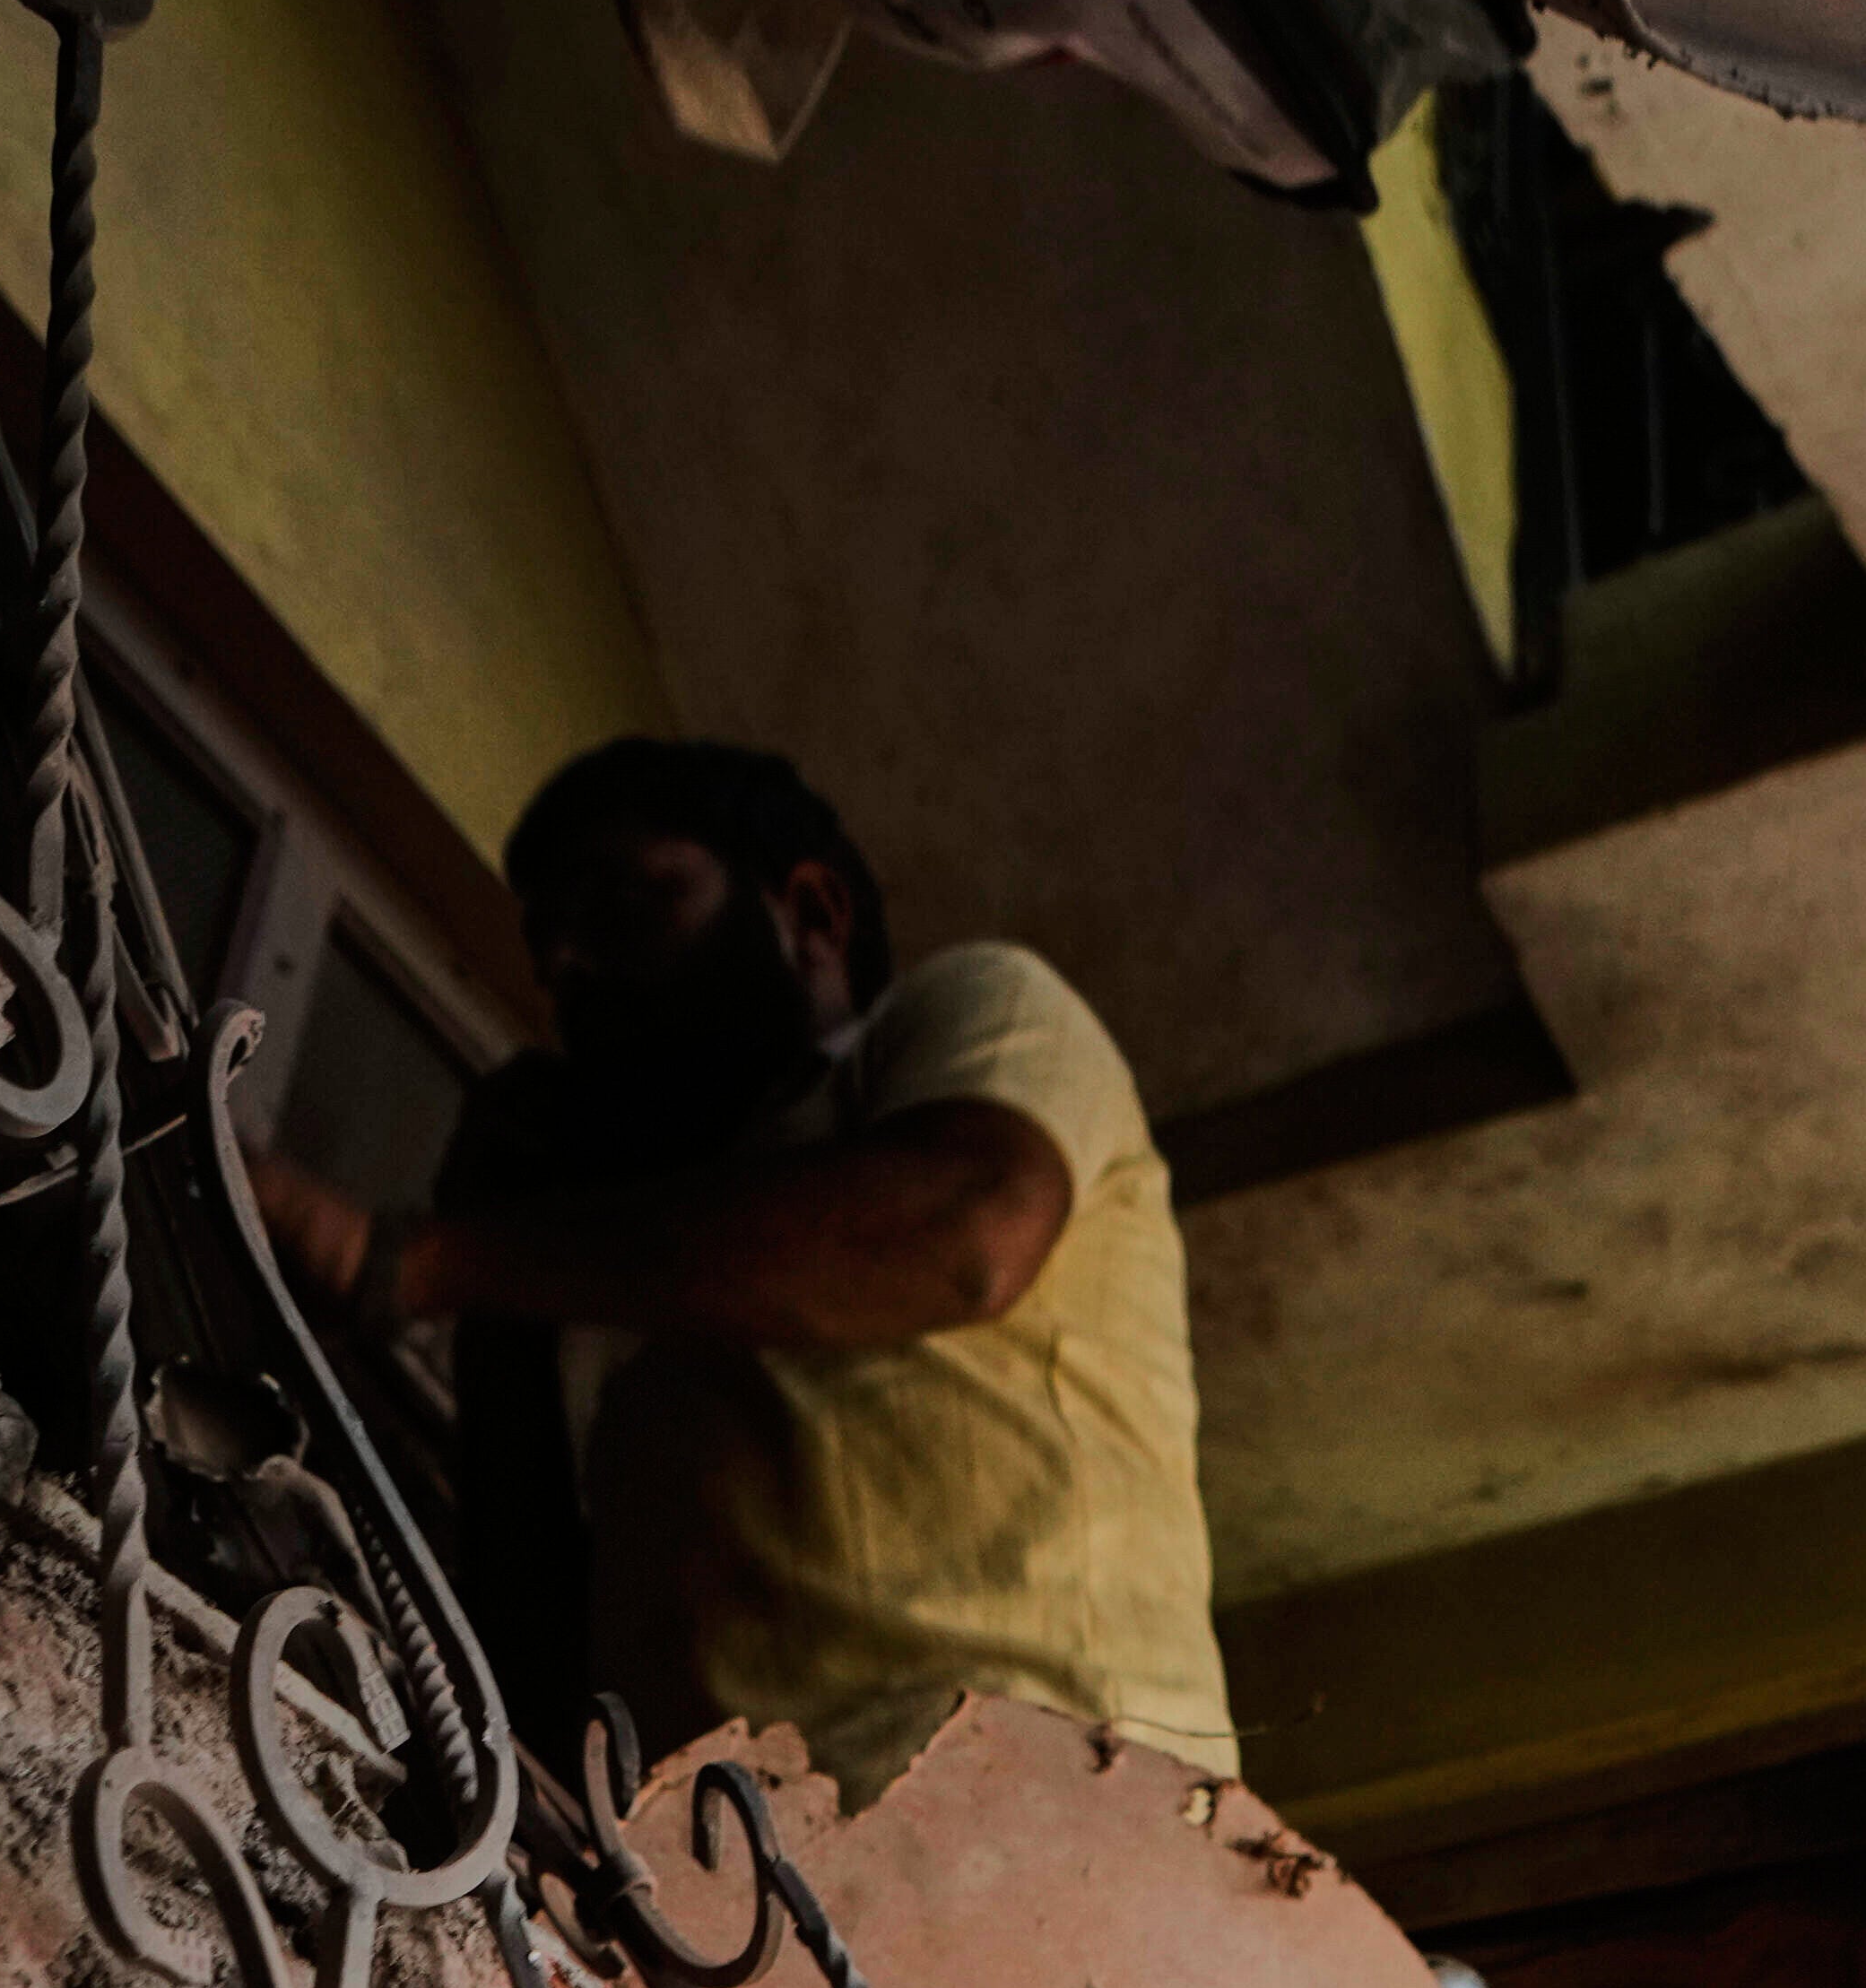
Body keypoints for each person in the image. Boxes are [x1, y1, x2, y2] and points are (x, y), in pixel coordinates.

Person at [254, 737, 1233, 1793]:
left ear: (811, 915)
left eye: (628, 907)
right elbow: (534, 1682)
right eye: (549, 952)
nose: (570, 972)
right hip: (732, 1907)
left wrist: (409, 1261)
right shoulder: (621, 1295)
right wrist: (500, 1296)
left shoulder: (968, 1010)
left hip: (1064, 1812)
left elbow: (966, 1235)